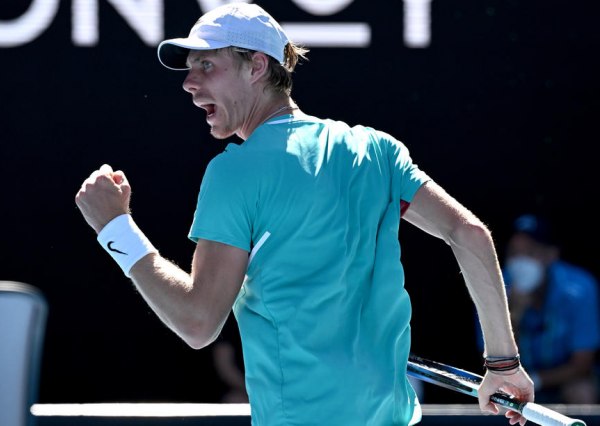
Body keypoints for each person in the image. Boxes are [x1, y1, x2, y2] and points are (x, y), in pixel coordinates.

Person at [75, 3, 533, 425]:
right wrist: (503, 364)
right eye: (190, 69)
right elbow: (469, 233)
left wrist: (116, 229)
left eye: (207, 66)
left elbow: (198, 322)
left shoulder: (235, 171)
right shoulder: (376, 150)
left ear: (257, 66)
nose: (189, 83)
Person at [479, 213, 599, 403]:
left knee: (582, 390)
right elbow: (495, 361)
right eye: (514, 253)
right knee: (498, 395)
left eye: (530, 252)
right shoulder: (493, 288)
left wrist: (536, 381)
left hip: (564, 380)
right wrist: (513, 314)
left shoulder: (580, 288)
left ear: (551, 255)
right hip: (513, 381)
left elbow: (582, 364)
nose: (521, 261)